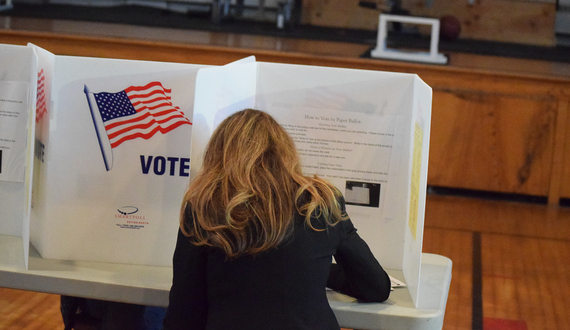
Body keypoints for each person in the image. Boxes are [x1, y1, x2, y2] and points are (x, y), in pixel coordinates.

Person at [162, 109, 390, 330]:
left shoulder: (204, 208)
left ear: (217, 155)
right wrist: (314, 270)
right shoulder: (320, 202)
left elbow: (184, 314)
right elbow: (375, 287)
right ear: (285, 151)